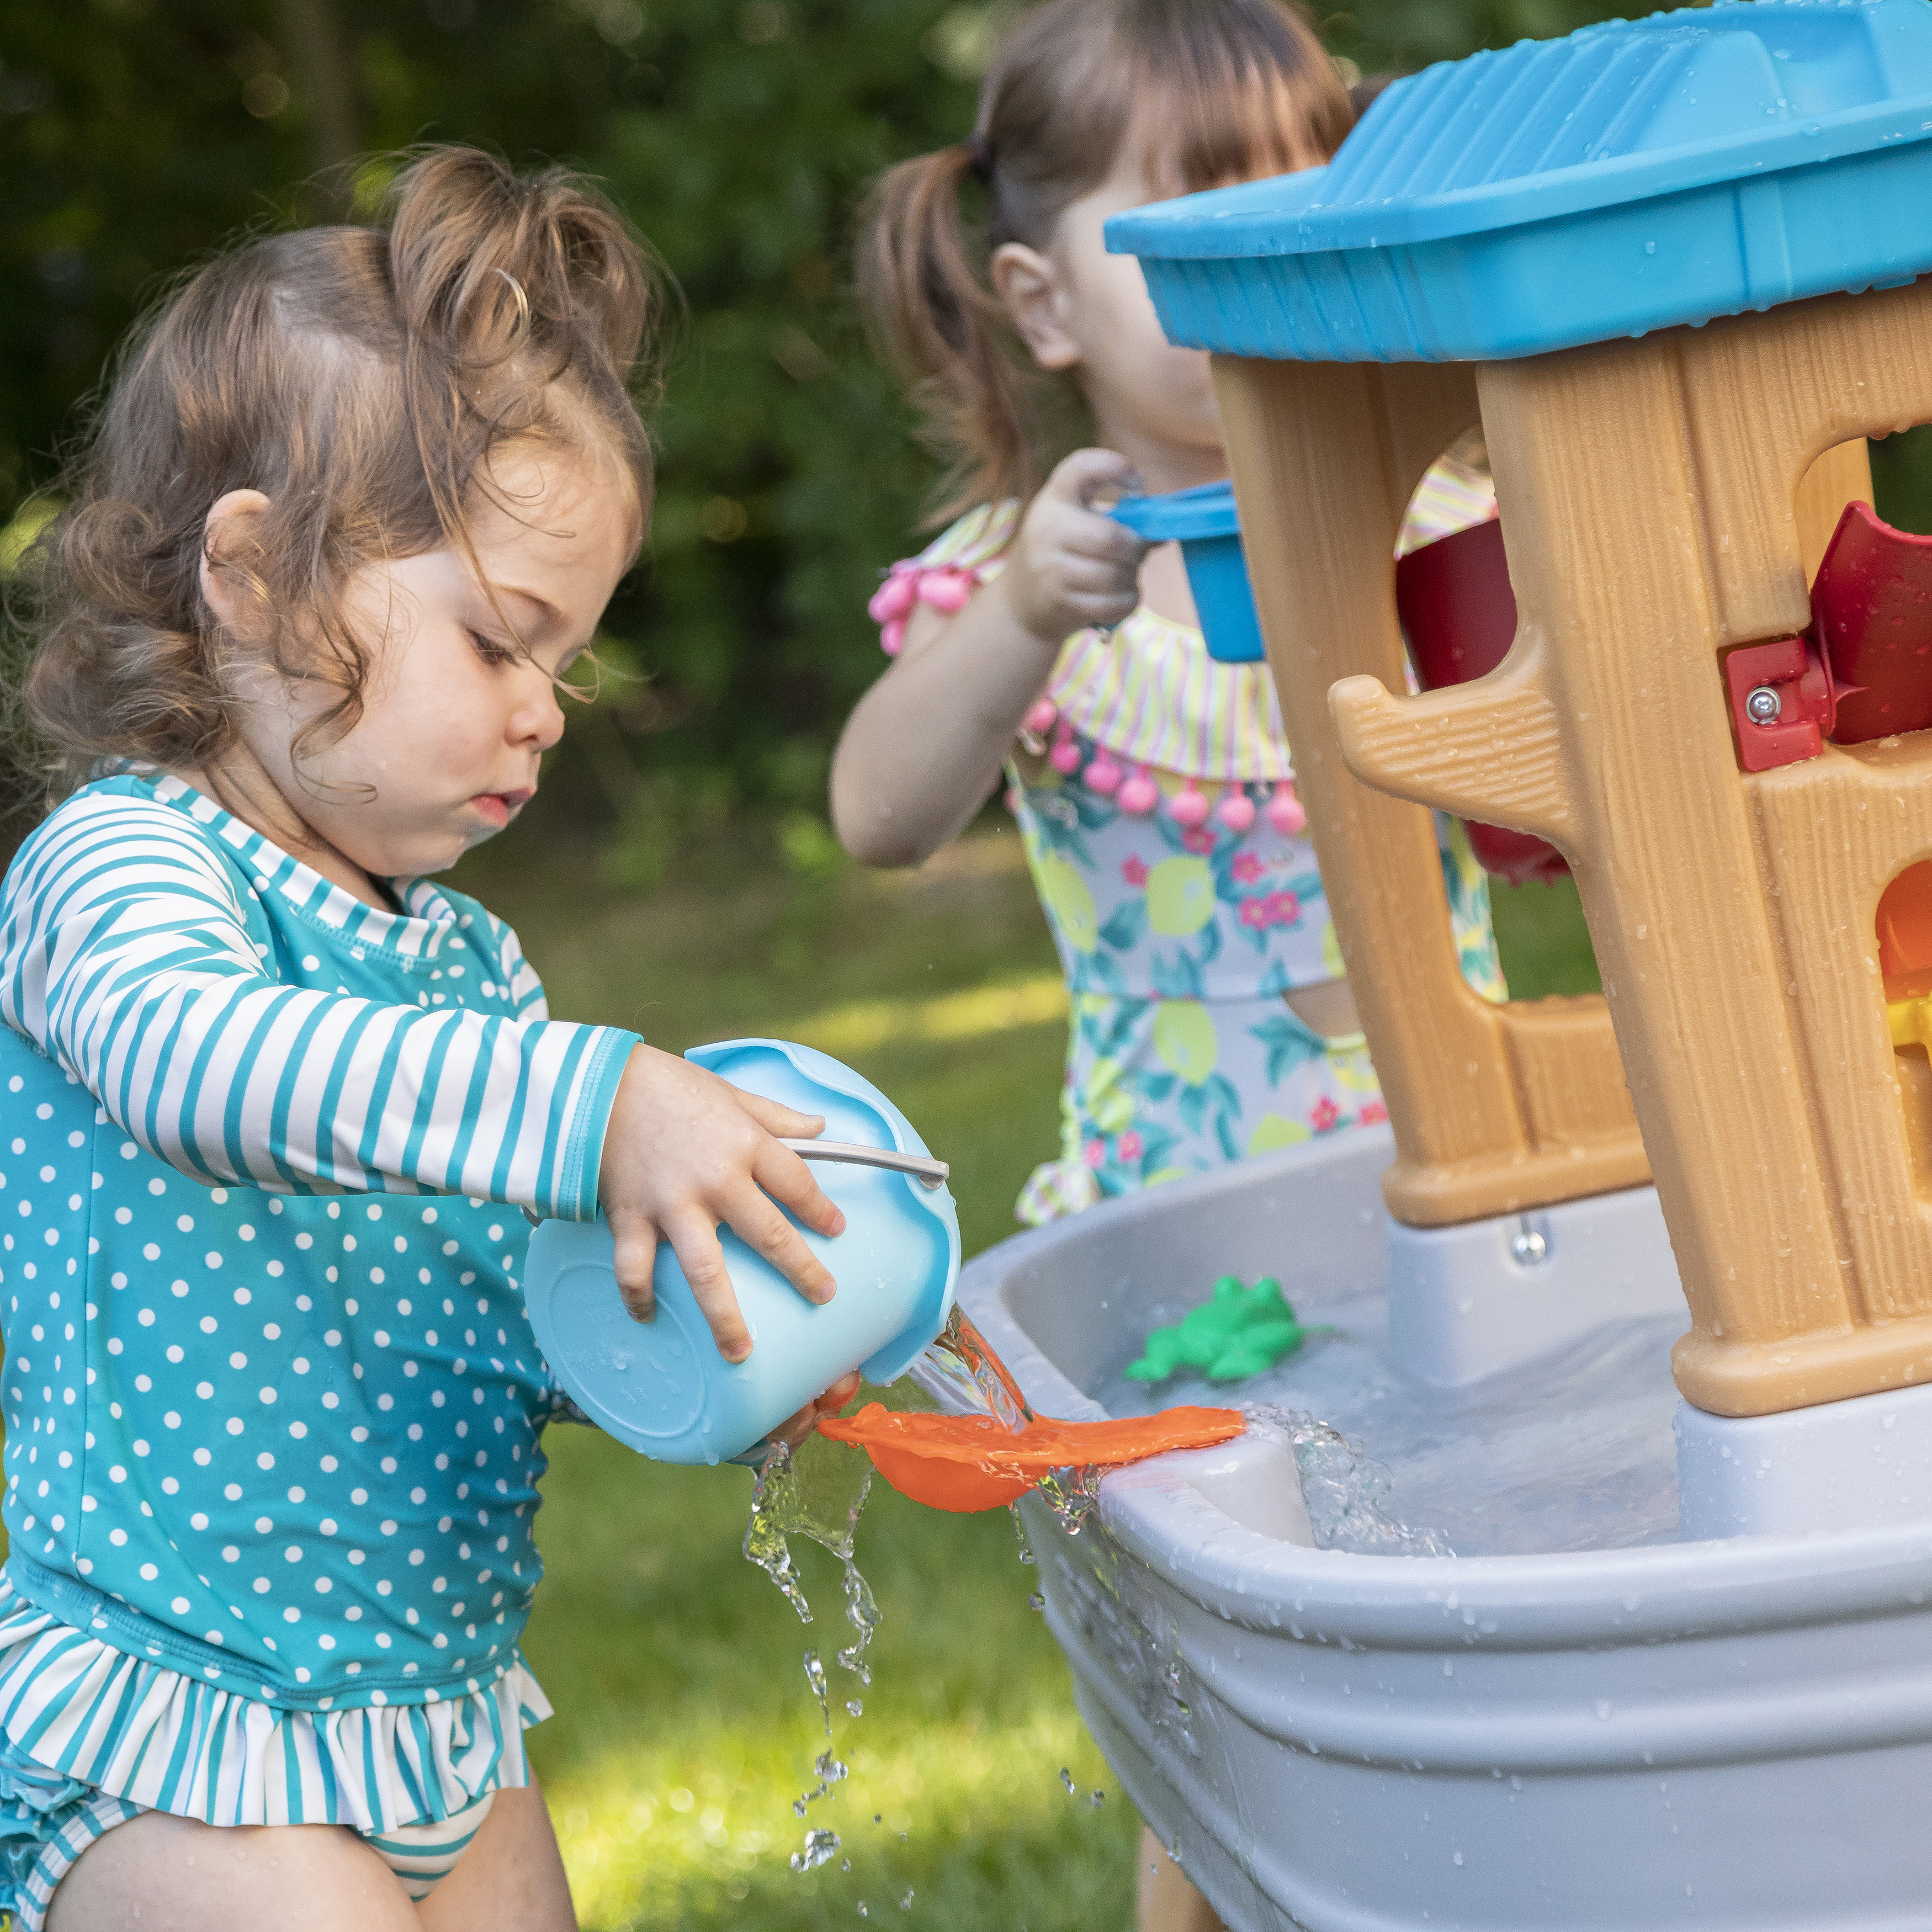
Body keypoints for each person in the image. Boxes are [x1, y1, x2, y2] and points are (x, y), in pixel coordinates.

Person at [0, 148, 858, 1931]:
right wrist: (592, 1098)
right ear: (256, 576)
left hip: (437, 1713)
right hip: (175, 1707)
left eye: (567, 661)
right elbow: (195, 1065)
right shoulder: (125, 864)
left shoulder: (466, 964)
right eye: (496, 640)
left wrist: (703, 1339)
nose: (544, 712)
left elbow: (498, 1311)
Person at [832, 3, 1503, 1923]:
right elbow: (878, 812)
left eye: (1295, 198)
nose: (1250, 256)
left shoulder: (1441, 524)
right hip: (1180, 1246)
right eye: (1192, 217)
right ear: (1043, 304)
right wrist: (1019, 618)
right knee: (1219, 1743)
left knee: (1465, 1646)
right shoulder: (1043, 573)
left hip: (1453, 1200)